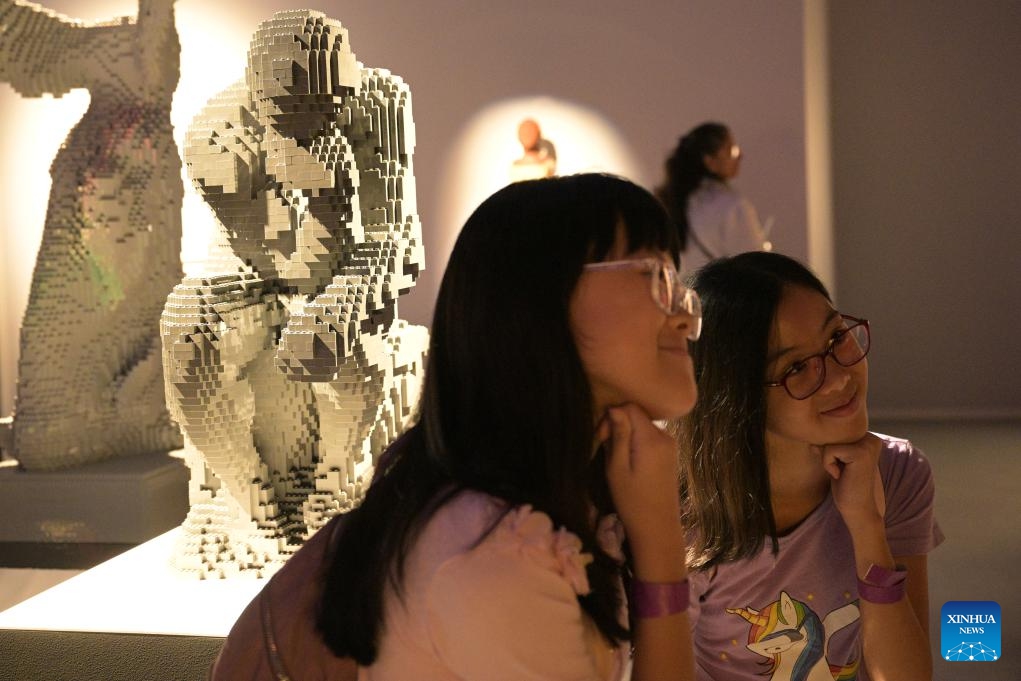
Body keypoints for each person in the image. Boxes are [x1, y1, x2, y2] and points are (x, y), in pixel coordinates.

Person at [211, 173, 703, 680]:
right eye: (655, 275)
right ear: (542, 299)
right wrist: (660, 542)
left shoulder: (555, 502)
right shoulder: (493, 553)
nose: (686, 317)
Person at [676, 251, 942, 681]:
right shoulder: (682, 508)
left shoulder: (897, 471)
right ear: (738, 398)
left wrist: (867, 527)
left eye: (836, 338)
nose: (840, 377)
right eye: (796, 368)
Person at [656, 122, 769, 274]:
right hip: (718, 294)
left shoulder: (671, 200)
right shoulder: (733, 206)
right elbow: (755, 265)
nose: (740, 155)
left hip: (684, 292)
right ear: (710, 161)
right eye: (732, 150)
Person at [510, 117, 557, 182]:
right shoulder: (515, 165)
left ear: (538, 134)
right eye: (524, 133)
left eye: (531, 131)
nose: (527, 135)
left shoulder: (548, 163)